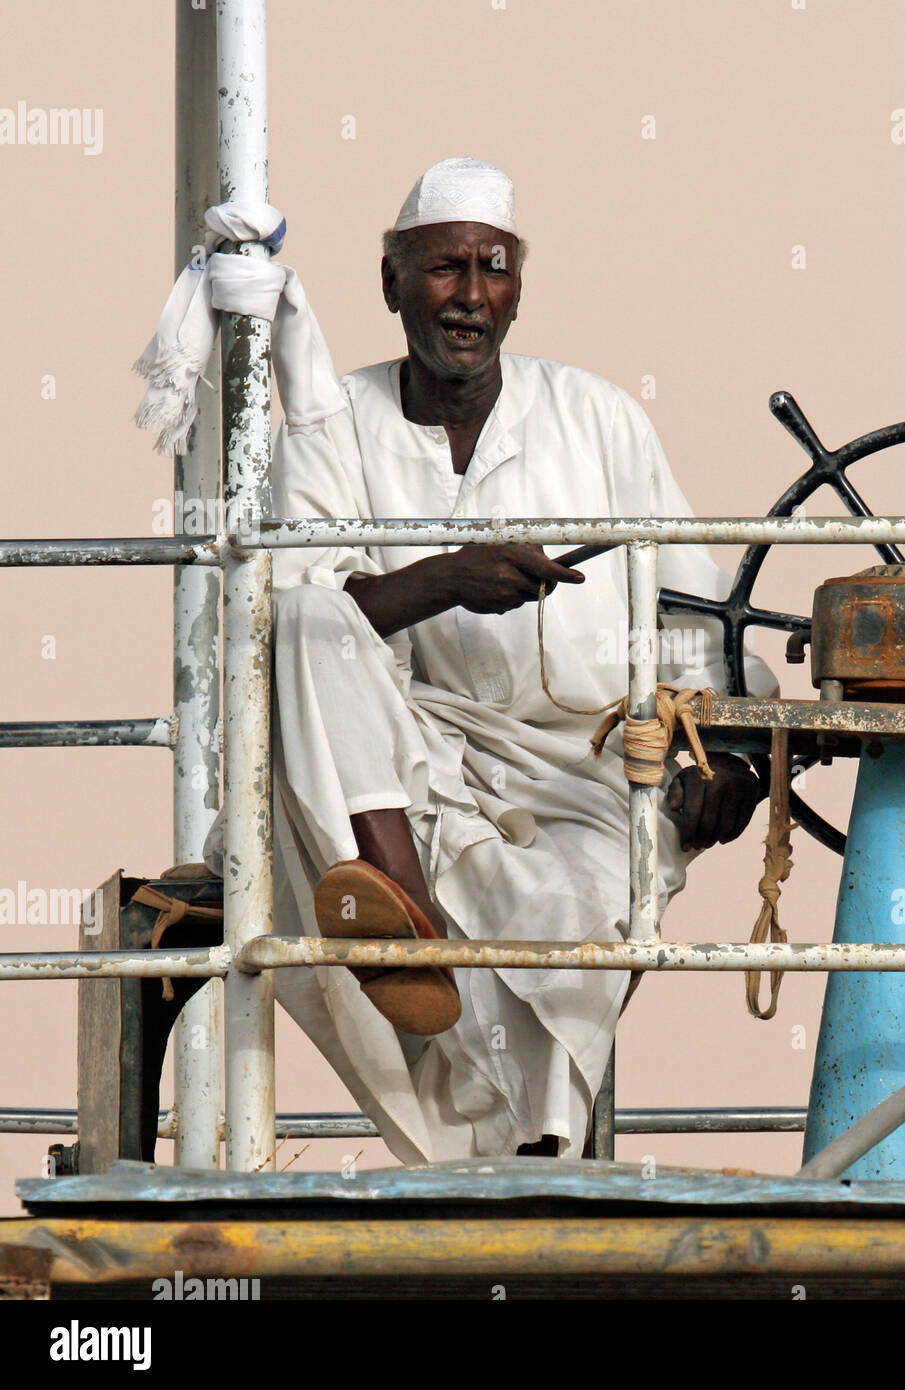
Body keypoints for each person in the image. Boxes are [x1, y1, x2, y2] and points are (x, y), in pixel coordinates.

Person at [205, 157, 776, 1163]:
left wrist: (735, 764)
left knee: (569, 917)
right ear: (391, 283)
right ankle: (397, 912)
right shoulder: (333, 424)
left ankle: (534, 1164)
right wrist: (447, 578)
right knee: (301, 615)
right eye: (442, 270)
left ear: (518, 287)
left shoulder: (598, 417)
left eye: (492, 270)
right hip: (405, 762)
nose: (468, 297)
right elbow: (304, 617)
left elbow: (696, 613)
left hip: (586, 766)